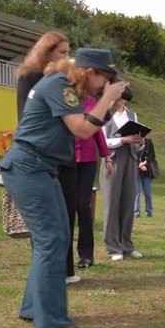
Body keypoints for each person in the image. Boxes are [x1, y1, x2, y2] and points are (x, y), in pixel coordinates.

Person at [0, 48, 129, 328]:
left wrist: (106, 101)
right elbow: (82, 130)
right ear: (90, 72)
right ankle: (53, 320)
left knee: (57, 237)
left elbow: (89, 123)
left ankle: (34, 307)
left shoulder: (67, 86)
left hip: (43, 166)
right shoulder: (59, 85)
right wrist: (106, 98)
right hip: (29, 165)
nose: (104, 86)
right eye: (104, 79)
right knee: (51, 239)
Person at [15, 31, 79, 284]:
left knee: (66, 214)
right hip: (41, 156)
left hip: (66, 156)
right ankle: (46, 272)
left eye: (68, 52)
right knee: (46, 219)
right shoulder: (29, 77)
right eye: (62, 52)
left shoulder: (65, 80)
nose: (67, 57)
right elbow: (25, 120)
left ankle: (66, 269)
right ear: (47, 52)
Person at [101, 99, 144, 261]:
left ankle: (126, 244)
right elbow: (101, 141)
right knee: (112, 204)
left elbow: (137, 141)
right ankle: (113, 247)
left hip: (131, 159)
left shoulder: (132, 115)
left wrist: (140, 142)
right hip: (112, 160)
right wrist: (122, 140)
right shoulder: (105, 114)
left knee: (127, 203)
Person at [74, 95, 114, 269]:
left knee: (83, 205)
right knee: (66, 207)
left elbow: (97, 131)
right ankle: (63, 256)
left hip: (88, 160)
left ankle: (86, 255)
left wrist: (107, 157)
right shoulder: (63, 96)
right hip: (66, 158)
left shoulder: (91, 101)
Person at [134, 137, 157, 218]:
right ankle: (136, 212)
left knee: (147, 192)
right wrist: (139, 165)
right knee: (137, 192)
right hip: (136, 171)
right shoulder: (133, 142)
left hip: (146, 171)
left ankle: (149, 211)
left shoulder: (148, 142)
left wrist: (145, 163)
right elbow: (133, 155)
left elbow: (152, 155)